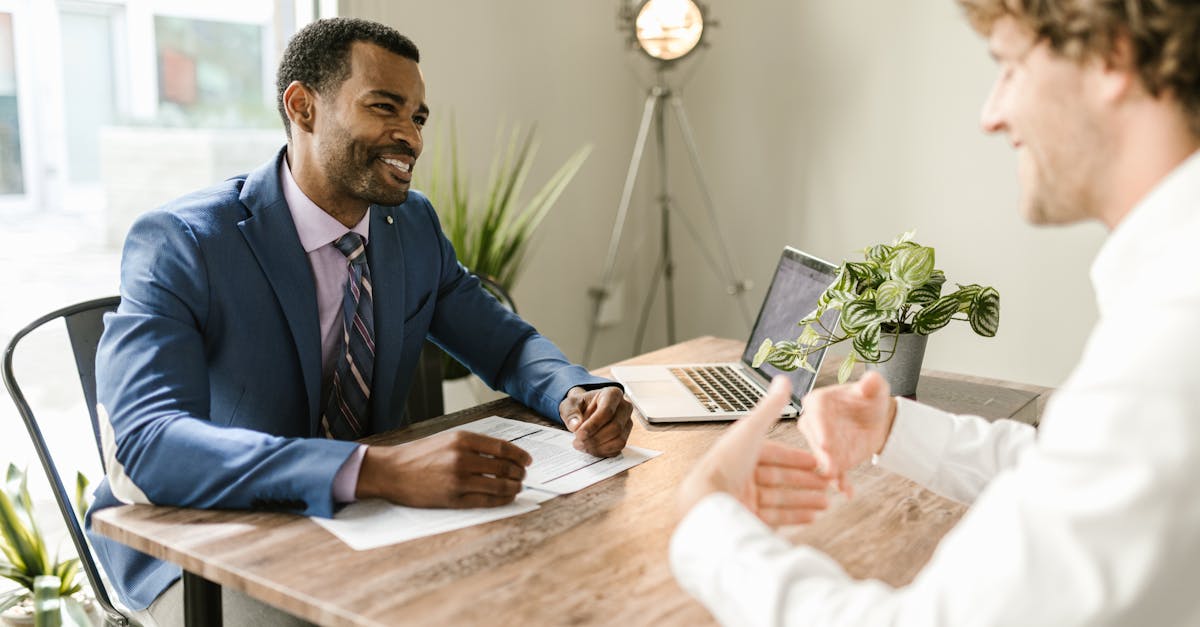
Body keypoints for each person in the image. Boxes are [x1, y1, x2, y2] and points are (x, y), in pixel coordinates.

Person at [89, 17, 633, 625]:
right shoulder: (184, 242)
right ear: (303, 107)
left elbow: (504, 346)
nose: (410, 137)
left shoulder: (412, 226)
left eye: (419, 118)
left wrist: (573, 390)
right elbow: (147, 445)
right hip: (209, 539)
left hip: (370, 518)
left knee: (550, 582)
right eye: (385, 108)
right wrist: (376, 470)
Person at [671, 0, 1200, 624]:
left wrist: (706, 521)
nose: (991, 114)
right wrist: (894, 429)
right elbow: (1086, 478)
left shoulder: (1172, 339)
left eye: (1008, 66)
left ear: (1112, 54)